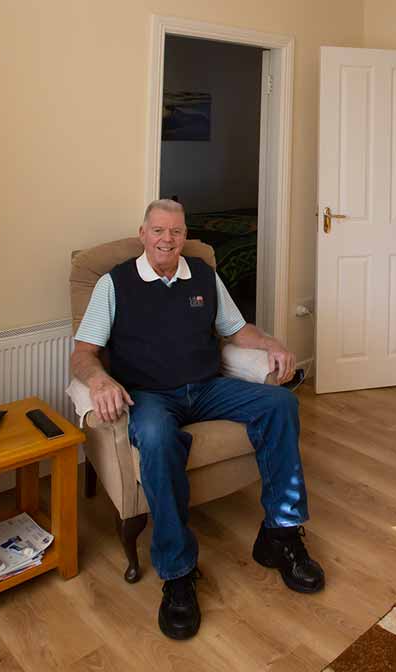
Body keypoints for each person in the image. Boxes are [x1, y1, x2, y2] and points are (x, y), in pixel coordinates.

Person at [70, 199, 324, 640]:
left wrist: (271, 342)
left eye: (176, 232)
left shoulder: (203, 275)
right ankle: (178, 572)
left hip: (206, 388)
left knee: (281, 404)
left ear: (185, 236)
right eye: (158, 231)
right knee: (153, 435)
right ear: (143, 234)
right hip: (149, 396)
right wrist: (99, 382)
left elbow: (235, 329)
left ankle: (280, 535)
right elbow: (84, 354)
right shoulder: (115, 284)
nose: (167, 239)